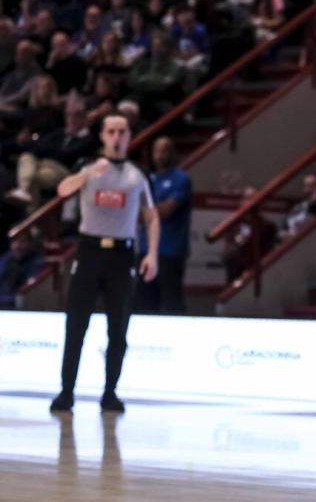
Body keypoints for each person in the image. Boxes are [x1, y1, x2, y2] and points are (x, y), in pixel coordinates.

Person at [50, 113, 159, 414]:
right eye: (111, 131)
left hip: (122, 254)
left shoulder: (137, 175)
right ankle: (66, 391)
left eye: (122, 131)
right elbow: (62, 190)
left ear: (128, 136)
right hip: (89, 251)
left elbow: (151, 216)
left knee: (118, 327)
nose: (116, 137)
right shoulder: (88, 169)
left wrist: (152, 254)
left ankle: (110, 392)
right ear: (102, 135)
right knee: (76, 325)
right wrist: (87, 176)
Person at [135, 137, 191, 314]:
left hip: (170, 250)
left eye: (165, 150)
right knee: (143, 302)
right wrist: (148, 212)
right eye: (157, 151)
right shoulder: (148, 180)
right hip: (145, 250)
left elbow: (166, 210)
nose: (160, 155)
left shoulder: (181, 179)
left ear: (173, 153)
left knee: (172, 301)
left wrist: (147, 211)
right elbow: (136, 215)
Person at [0, 230, 45, 309]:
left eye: (22, 241)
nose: (17, 246)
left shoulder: (35, 261)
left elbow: (30, 286)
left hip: (19, 304)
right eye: (14, 241)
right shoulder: (6, 259)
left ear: (30, 243)